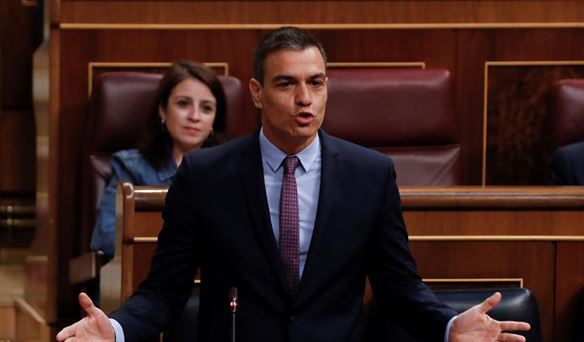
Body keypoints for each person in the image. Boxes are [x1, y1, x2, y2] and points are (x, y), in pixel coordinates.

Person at [58, 27, 530, 342]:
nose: (305, 99)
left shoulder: (370, 174)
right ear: (257, 93)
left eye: (316, 83)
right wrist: (116, 331)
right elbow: (165, 292)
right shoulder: (205, 177)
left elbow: (399, 287)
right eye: (286, 84)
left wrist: (449, 326)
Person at [89, 59, 227, 260]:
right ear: (163, 110)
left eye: (206, 108)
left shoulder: (232, 170)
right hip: (148, 280)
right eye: (183, 104)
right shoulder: (131, 167)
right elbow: (106, 239)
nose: (195, 116)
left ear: (214, 119)